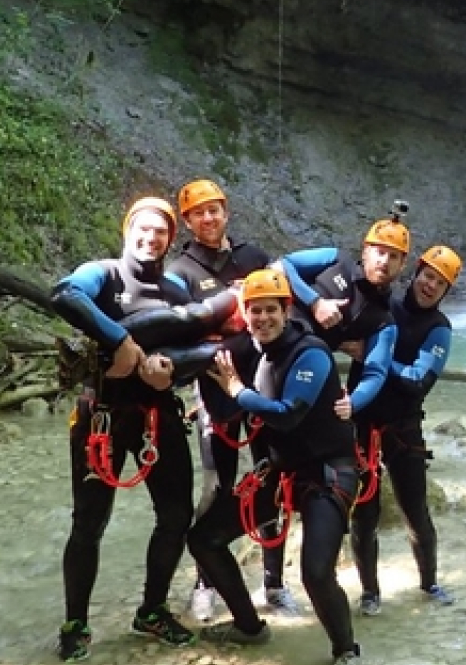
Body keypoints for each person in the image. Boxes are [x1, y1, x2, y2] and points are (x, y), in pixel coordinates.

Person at [47, 196, 237, 663]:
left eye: (161, 233)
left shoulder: (175, 289)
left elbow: (201, 351)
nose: (151, 239)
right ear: (127, 229)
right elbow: (64, 295)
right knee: (89, 523)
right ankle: (75, 623)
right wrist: (122, 342)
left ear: (170, 239)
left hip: (159, 416)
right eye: (144, 229)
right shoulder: (104, 274)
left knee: (174, 517)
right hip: (104, 416)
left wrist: (169, 369)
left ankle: (151, 610)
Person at [188, 268, 363, 663]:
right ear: (244, 315)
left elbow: (287, 415)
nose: (263, 318)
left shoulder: (311, 353)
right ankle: (249, 628)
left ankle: (346, 652)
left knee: (316, 573)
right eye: (254, 311)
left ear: (286, 311)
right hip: (283, 472)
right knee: (203, 539)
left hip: (327, 473)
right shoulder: (259, 352)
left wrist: (238, 392)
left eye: (271, 310)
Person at [165, 179, 298, 622]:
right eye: (199, 212)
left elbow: (282, 314)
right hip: (214, 396)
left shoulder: (253, 258)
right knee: (217, 487)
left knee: (271, 480)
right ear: (188, 220)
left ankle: (274, 583)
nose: (209, 218)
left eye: (215, 210)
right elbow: (184, 333)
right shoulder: (181, 272)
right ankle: (206, 581)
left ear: (226, 212)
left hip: (264, 388)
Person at [351, 244, 462, 616]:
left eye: (440, 283)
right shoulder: (382, 306)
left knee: (415, 510)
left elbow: (418, 382)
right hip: (362, 421)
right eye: (428, 276)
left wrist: (373, 357)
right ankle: (370, 592)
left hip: (403, 427)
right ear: (416, 272)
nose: (430, 285)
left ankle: (429, 582)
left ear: (446, 292)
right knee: (364, 513)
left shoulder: (439, 330)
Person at [276, 203, 412, 419]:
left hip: (304, 367)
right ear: (366, 251)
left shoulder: (384, 321)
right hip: (274, 340)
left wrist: (352, 402)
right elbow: (285, 265)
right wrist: (316, 302)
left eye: (393, 257)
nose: (384, 261)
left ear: (403, 265)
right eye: (380, 252)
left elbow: (376, 372)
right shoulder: (337, 259)